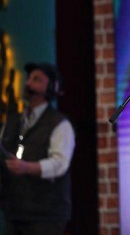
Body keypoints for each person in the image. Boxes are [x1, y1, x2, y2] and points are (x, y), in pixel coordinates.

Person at [0, 63, 75, 235]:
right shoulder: (13, 121)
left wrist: (27, 167)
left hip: (46, 214)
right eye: (29, 79)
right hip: (15, 211)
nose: (28, 83)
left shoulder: (59, 124)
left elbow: (59, 164)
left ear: (51, 88)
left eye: (36, 80)